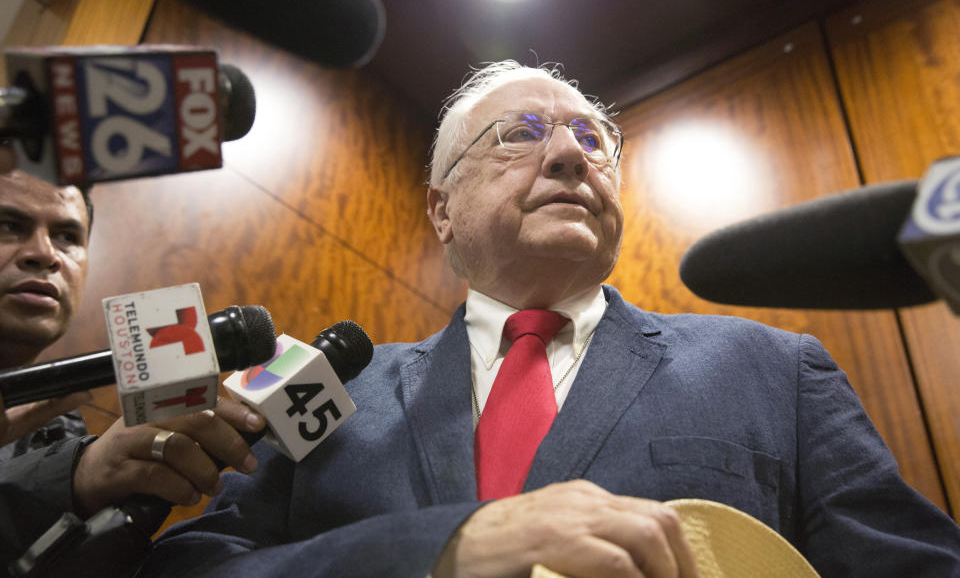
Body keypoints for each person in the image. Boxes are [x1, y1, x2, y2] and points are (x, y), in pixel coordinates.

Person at [139, 61, 960, 577]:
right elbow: (194, 567)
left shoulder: (776, 370)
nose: (569, 154)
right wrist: (442, 552)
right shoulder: (324, 391)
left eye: (591, 140)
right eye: (521, 135)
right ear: (441, 209)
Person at [0, 169, 267, 566]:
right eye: (8, 225)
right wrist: (72, 478)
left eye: (68, 237)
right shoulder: (72, 459)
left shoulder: (59, 432)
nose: (45, 253)